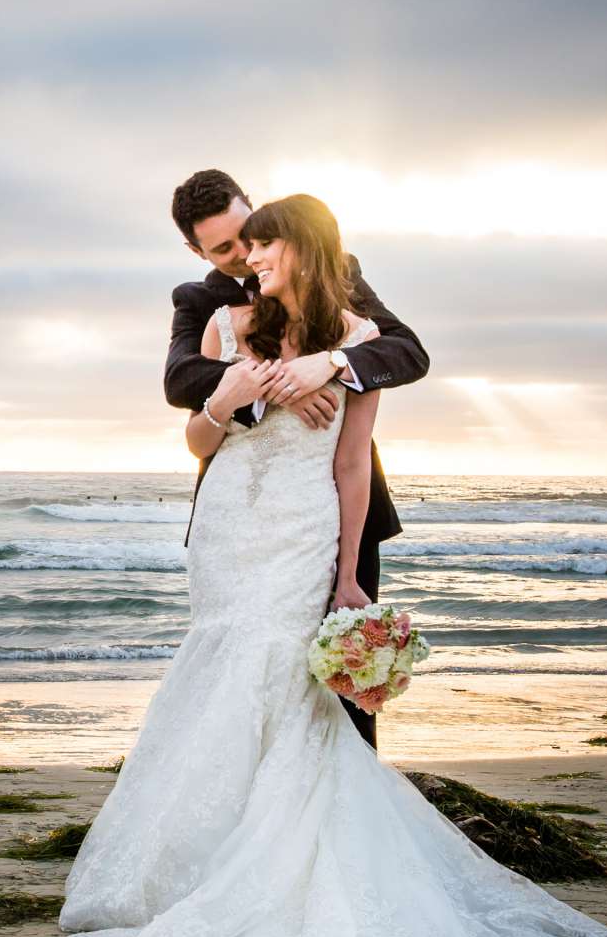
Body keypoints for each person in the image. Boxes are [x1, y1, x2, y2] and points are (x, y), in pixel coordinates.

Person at [47, 192, 607, 937]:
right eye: (231, 250)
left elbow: (355, 461)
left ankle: (288, 868)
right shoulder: (222, 321)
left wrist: (350, 571)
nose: (245, 260)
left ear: (301, 249)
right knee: (222, 676)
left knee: (292, 687)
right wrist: (234, 392)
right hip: (230, 531)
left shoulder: (357, 336)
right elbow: (196, 432)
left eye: (259, 246)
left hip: (306, 530)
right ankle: (198, 862)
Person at [162, 169, 426, 748]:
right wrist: (277, 383)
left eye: (250, 237)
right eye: (225, 249)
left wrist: (330, 364)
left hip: (325, 505)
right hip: (239, 512)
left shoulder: (339, 272)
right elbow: (181, 380)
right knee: (235, 661)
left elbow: (403, 350)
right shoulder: (204, 302)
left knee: (340, 676)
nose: (244, 256)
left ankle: (337, 796)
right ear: (196, 250)